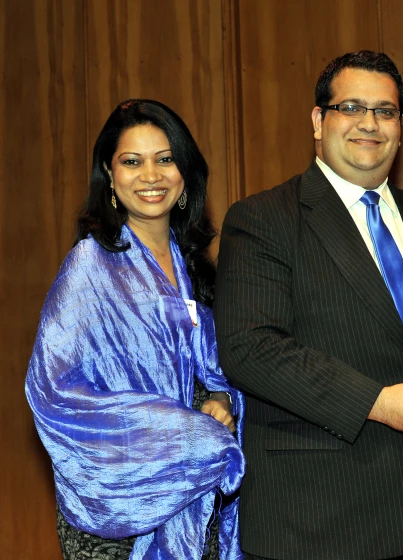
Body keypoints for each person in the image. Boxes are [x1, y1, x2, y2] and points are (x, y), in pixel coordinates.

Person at [214, 51, 403, 560]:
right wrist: (378, 403)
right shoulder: (263, 219)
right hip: (318, 525)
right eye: (352, 107)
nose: (370, 123)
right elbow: (250, 348)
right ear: (319, 121)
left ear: (400, 128)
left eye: (386, 111)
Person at [25, 99, 246, 560]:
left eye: (165, 159)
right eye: (132, 161)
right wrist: (182, 434)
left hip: (196, 501)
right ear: (109, 175)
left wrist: (224, 402)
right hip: (118, 514)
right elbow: (53, 391)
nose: (151, 175)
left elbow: (226, 368)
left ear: (185, 174)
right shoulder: (90, 267)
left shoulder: (198, 270)